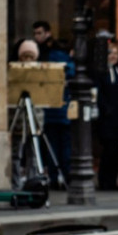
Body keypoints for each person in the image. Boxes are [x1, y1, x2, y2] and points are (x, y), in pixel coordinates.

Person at [32, 21, 73, 189]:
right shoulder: (43, 52)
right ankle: (58, 177)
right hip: (51, 107)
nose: (37, 36)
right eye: (35, 33)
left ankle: (61, 176)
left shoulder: (54, 53)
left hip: (57, 106)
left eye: (40, 33)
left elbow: (69, 70)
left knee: (60, 146)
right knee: (55, 146)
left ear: (48, 33)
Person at [95, 42, 118, 191]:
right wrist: (106, 110)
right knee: (107, 151)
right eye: (110, 53)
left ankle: (113, 181)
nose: (113, 56)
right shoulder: (102, 72)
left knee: (116, 152)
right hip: (107, 119)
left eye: (115, 53)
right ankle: (104, 181)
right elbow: (99, 95)